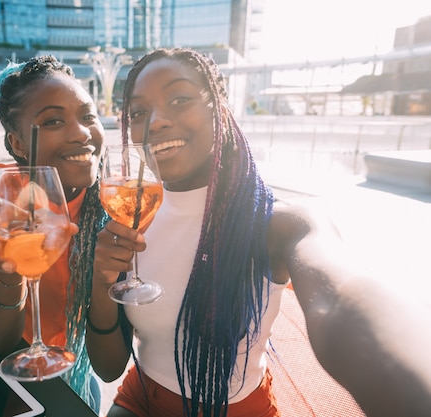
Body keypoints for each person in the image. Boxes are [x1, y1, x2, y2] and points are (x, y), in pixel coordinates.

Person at [86, 47, 431, 417]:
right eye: (139, 112)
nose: (155, 122)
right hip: (143, 399)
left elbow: (342, 298)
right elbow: (108, 369)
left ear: (219, 109)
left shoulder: (278, 222)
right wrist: (101, 280)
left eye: (180, 98)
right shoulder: (134, 215)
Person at [0, 55, 108, 410]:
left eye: (88, 116)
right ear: (19, 143)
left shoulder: (112, 201)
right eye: (54, 120)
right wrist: (8, 269)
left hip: (77, 374)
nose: (82, 132)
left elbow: (112, 362)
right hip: (7, 379)